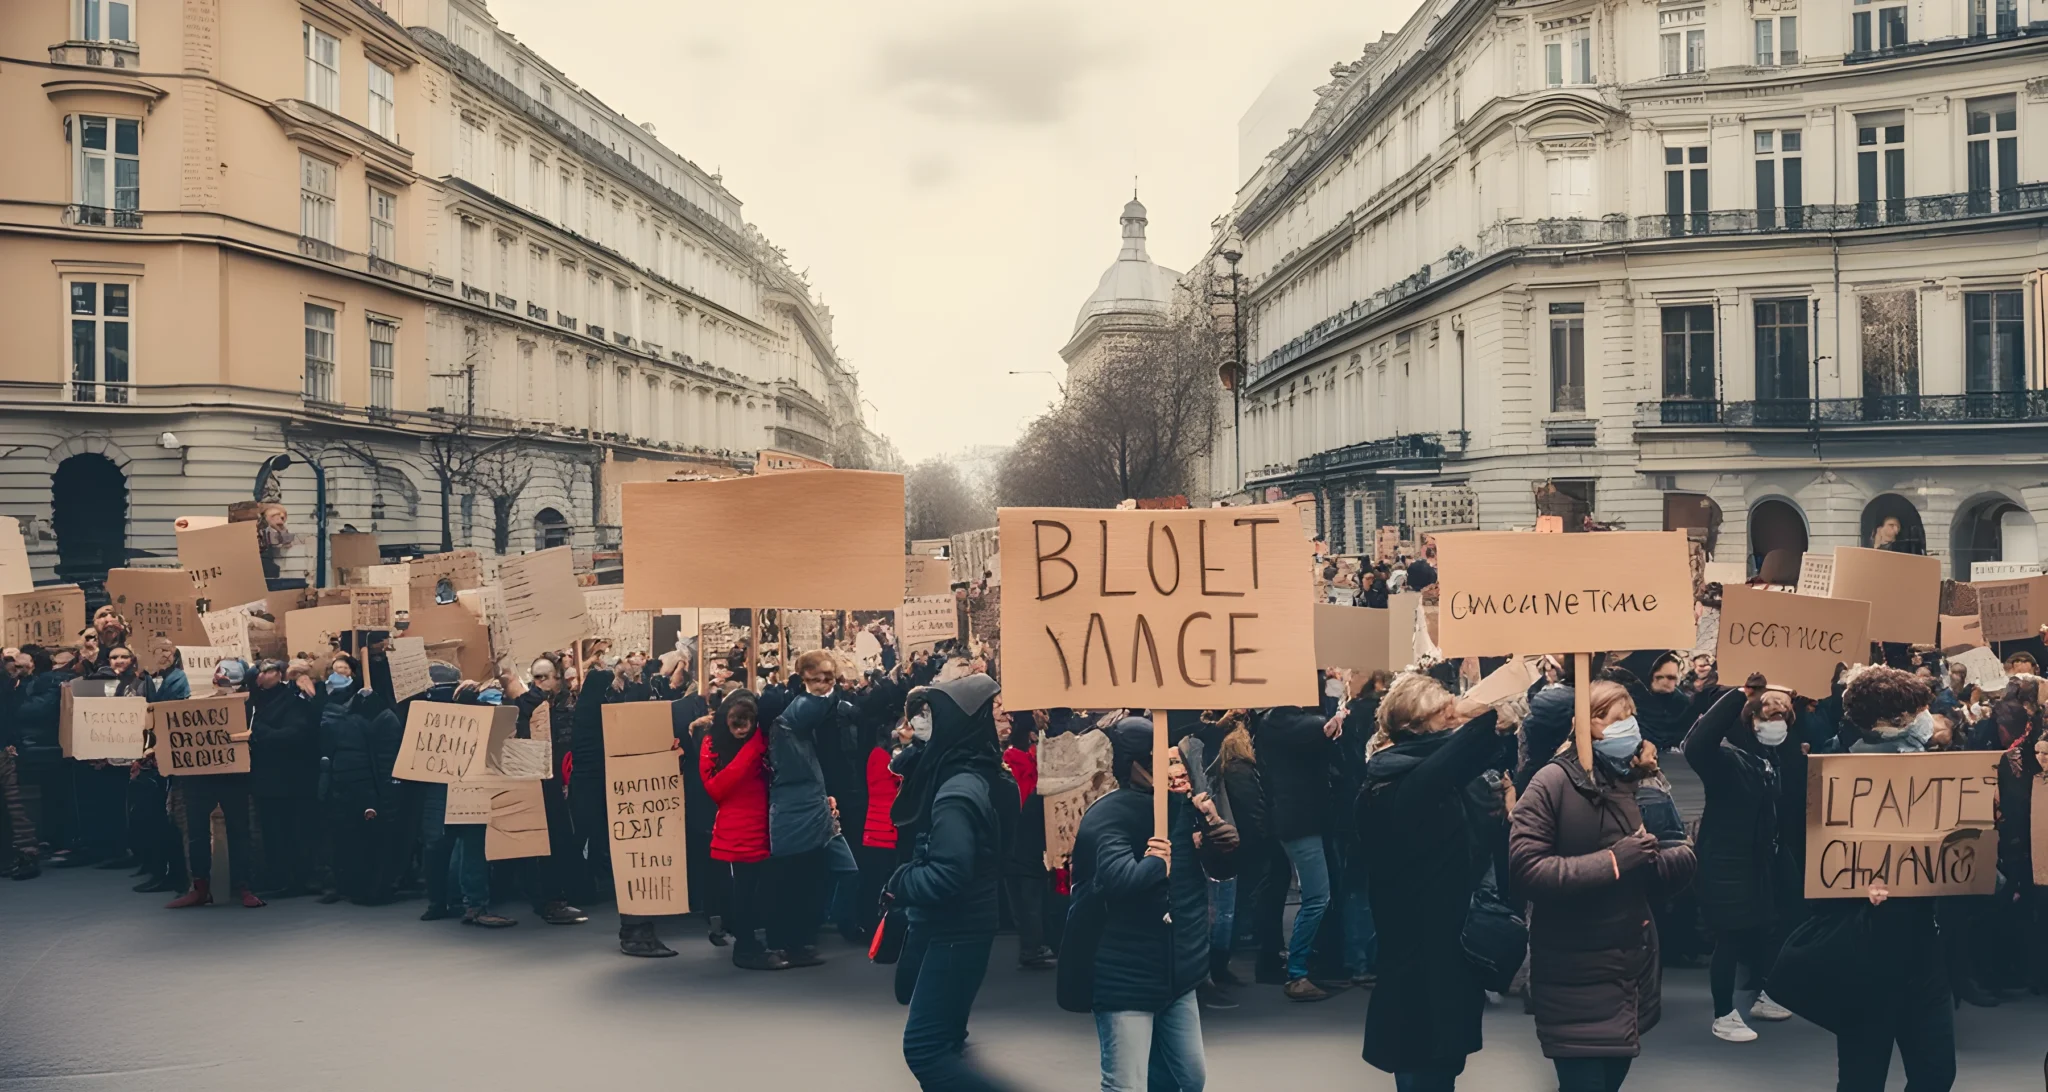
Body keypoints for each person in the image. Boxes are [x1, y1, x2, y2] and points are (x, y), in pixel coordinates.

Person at [1510, 681, 1697, 1092]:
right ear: (1590, 725)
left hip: (1629, 965)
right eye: (1619, 718)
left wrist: (1656, 862)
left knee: (1609, 1081)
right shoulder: (1551, 784)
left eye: (1632, 716)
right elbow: (1527, 870)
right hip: (1573, 966)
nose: (1631, 726)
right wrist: (1615, 862)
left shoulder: (1635, 782)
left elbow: (1679, 852)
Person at [1357, 673, 1516, 1091]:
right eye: (1444, 716)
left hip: (1450, 949)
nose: (1453, 722)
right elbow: (1466, 747)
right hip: (1415, 958)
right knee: (1421, 1070)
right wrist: (1470, 712)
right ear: (1413, 726)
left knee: (1441, 1070)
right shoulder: (1391, 784)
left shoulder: (1440, 779)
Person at [1073, 716, 1240, 1092]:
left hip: (1177, 971)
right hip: (1125, 975)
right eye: (1158, 760)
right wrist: (1153, 865)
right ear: (1136, 764)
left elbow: (1218, 869)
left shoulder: (1179, 807)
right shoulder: (1108, 814)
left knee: (1188, 1077)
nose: (1170, 768)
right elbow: (1118, 882)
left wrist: (1217, 835)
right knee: (1126, 1083)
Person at [1819, 665, 1957, 1092]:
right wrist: (1856, 891)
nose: (1925, 718)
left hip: (1921, 948)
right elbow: (1819, 863)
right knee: (1863, 1078)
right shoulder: (1835, 773)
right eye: (1918, 710)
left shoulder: (1938, 772)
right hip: (1866, 951)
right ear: (1896, 720)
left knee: (1936, 1072)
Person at [885, 675, 1018, 1090]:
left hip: (954, 928)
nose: (924, 724)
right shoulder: (982, 772)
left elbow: (949, 873)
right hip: (963, 924)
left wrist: (901, 880)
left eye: (932, 716)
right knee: (947, 1040)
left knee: (925, 1048)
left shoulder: (957, 792)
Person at [1683, 687, 1796, 1042]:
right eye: (1768, 715)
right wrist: (1739, 694)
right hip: (1725, 861)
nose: (1776, 723)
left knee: (1764, 928)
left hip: (1757, 861)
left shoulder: (1766, 758)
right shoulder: (1726, 759)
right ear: (1750, 719)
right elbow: (1696, 744)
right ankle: (1722, 1014)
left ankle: (1763, 995)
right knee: (1729, 937)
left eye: (1783, 717)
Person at [1253, 699, 1340, 999]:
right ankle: (1298, 973)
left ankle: (1298, 966)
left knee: (1310, 894)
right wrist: (1340, 715)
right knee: (1318, 896)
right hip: (1300, 821)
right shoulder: (1285, 723)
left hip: (1291, 818)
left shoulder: (1272, 723)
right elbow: (1315, 728)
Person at [764, 650, 844, 967]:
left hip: (811, 807)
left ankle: (800, 941)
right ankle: (782, 942)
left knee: (810, 880)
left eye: (829, 678)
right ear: (803, 679)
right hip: (789, 811)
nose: (824, 684)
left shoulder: (802, 719)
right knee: (787, 881)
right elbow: (810, 706)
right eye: (818, 677)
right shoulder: (789, 718)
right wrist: (823, 692)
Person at [167, 659, 267, 909]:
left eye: (230, 683)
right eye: (221, 683)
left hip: (234, 777)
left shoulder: (251, 708)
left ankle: (243, 886)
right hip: (200, 777)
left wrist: (250, 738)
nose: (225, 688)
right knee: (197, 833)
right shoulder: (195, 705)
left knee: (239, 832)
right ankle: (200, 887)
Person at [701, 690, 781, 969]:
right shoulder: (712, 742)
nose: (741, 726)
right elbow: (715, 789)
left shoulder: (763, 740)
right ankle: (745, 949)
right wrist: (753, 747)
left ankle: (756, 944)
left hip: (766, 826)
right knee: (743, 892)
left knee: (762, 891)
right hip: (736, 832)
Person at [317, 655, 403, 904]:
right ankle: (366, 886)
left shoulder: (367, 719)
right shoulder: (373, 717)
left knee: (362, 838)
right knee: (360, 837)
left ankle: (365, 886)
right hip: (360, 786)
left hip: (358, 786)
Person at [246, 658, 318, 900]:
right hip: (265, 779)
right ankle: (278, 875)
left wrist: (259, 734)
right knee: (271, 831)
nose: (264, 675)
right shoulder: (253, 701)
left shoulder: (293, 700)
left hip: (289, 778)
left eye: (269, 671)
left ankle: (295, 878)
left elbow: (297, 734)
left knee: (289, 830)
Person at [998, 708, 1054, 970]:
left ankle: (1030, 944)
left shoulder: (1008, 761)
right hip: (1028, 833)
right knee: (1030, 894)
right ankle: (1033, 946)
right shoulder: (1031, 760)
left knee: (1020, 895)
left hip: (1012, 835)